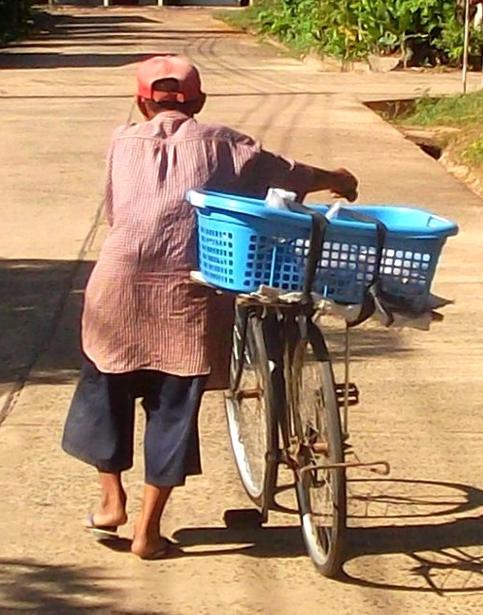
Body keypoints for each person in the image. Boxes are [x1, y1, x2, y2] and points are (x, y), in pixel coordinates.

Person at [62, 54, 358, 560]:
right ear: (199, 102)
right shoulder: (223, 143)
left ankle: (111, 502)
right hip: (187, 295)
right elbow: (286, 176)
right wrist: (337, 178)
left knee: (104, 390)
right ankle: (147, 532)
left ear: (140, 102)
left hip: (115, 289)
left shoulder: (120, 142)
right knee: (172, 408)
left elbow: (116, 212)